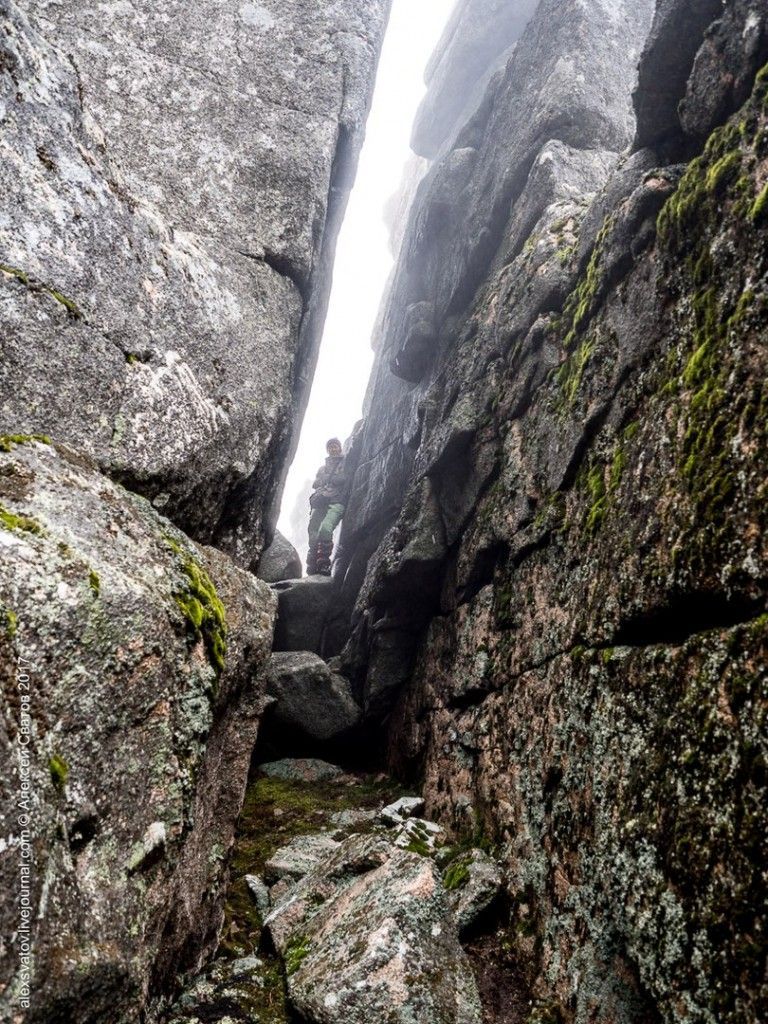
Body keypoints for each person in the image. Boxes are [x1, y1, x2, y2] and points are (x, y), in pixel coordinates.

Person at [306, 438, 348, 576]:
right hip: (322, 500)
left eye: (335, 446)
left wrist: (330, 479)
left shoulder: (346, 462)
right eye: (330, 447)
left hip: (337, 501)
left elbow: (345, 478)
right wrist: (324, 479)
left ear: (340, 447)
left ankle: (324, 563)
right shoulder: (323, 468)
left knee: (325, 528)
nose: (333, 449)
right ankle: (312, 564)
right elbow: (316, 483)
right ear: (327, 449)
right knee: (312, 530)